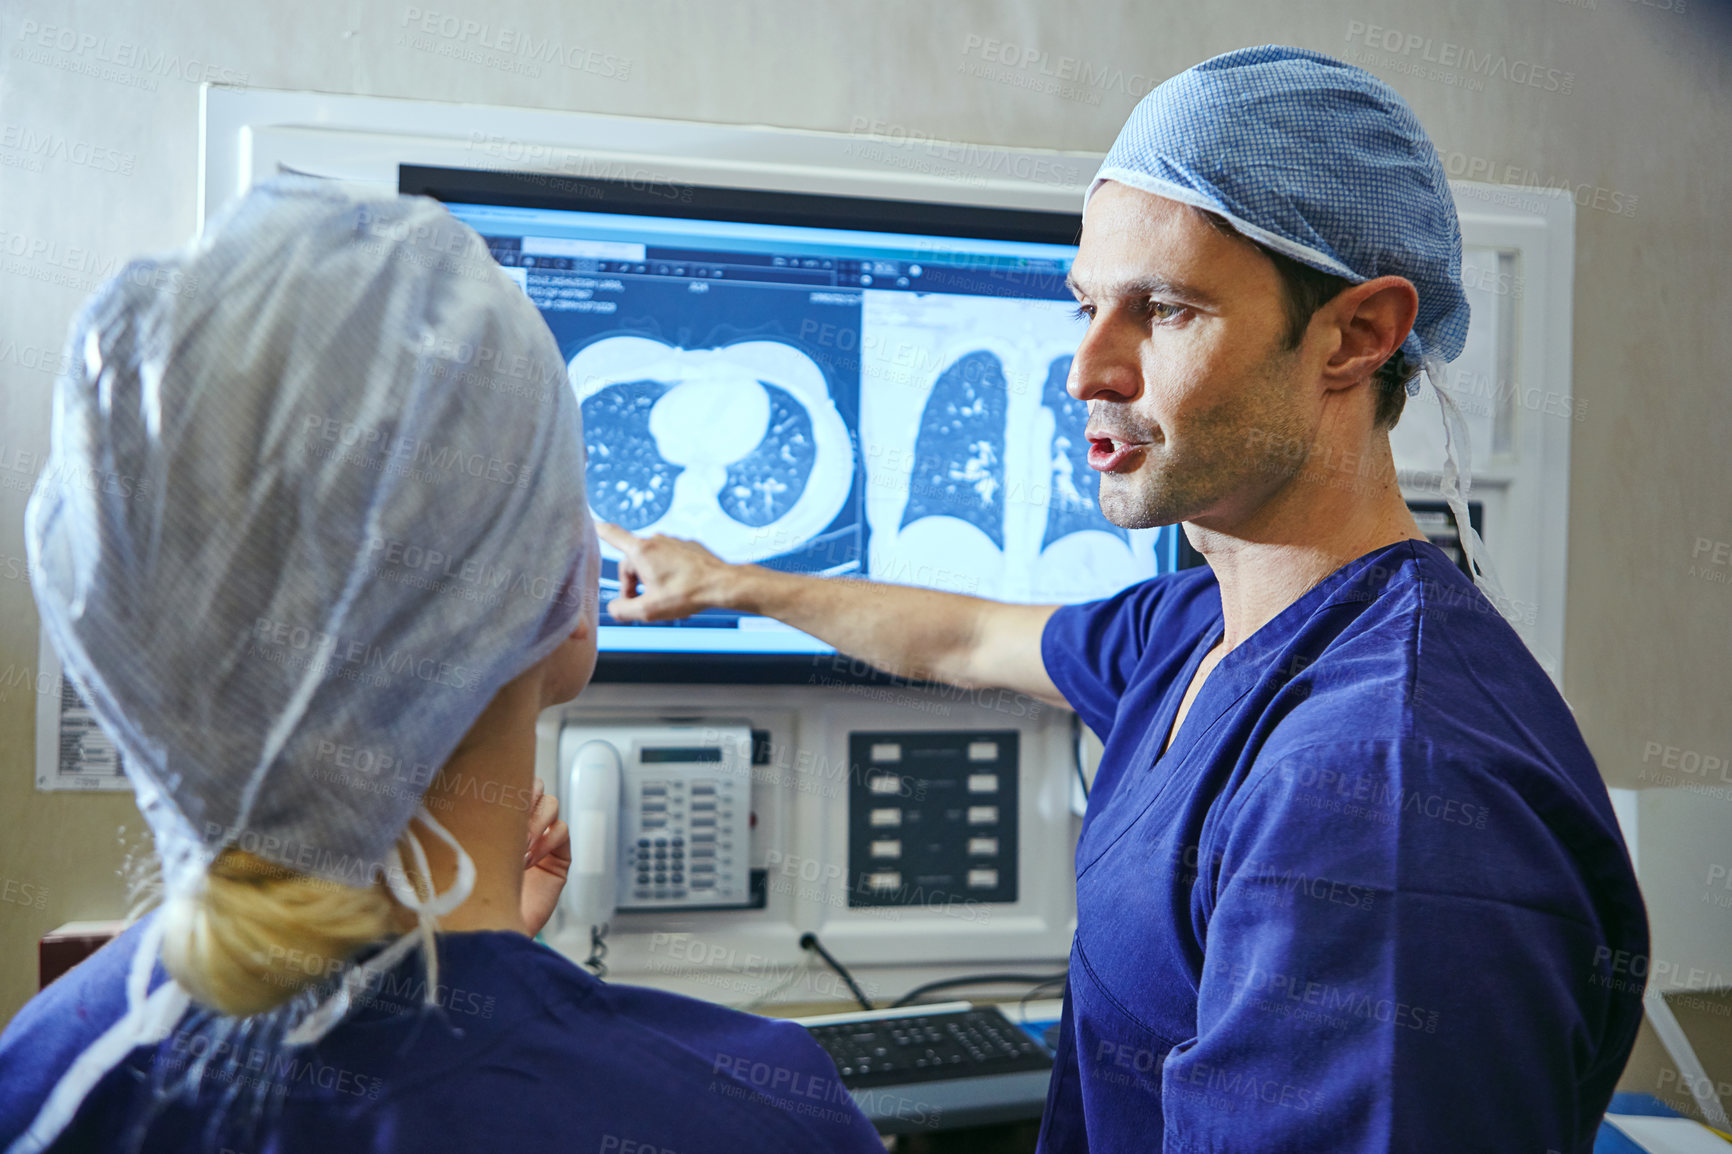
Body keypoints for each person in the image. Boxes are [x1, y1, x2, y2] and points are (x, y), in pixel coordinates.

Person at [594, 46, 1648, 1153]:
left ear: (1357, 335)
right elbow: (962, 635)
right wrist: (726, 581)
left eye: (1164, 310)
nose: (1087, 369)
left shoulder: (1374, 795)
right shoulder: (1201, 623)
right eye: (1086, 304)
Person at [0, 179, 883, 1154]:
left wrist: (493, 964)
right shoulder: (753, 1112)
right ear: (559, 586)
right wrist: (499, 982)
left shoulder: (48, 1061)